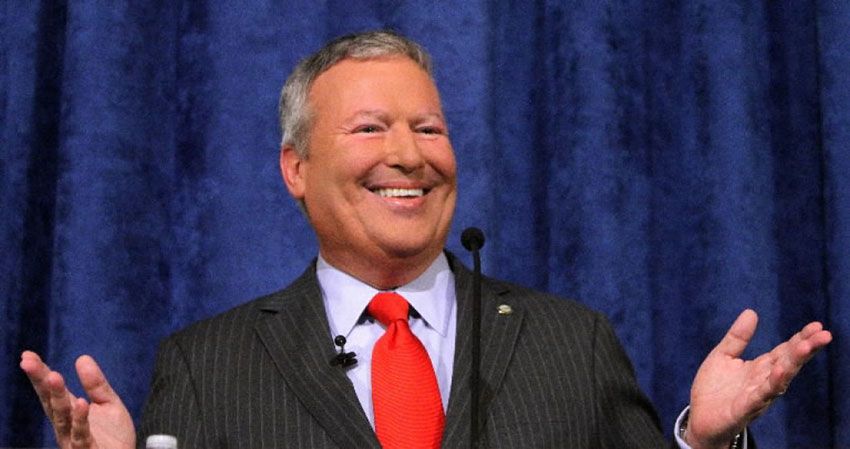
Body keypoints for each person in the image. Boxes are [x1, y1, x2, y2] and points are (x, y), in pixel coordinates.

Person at [20, 30, 832, 449]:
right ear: (296, 168)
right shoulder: (206, 365)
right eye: (371, 128)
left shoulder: (571, 342)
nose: (409, 155)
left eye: (430, 128)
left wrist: (702, 443)